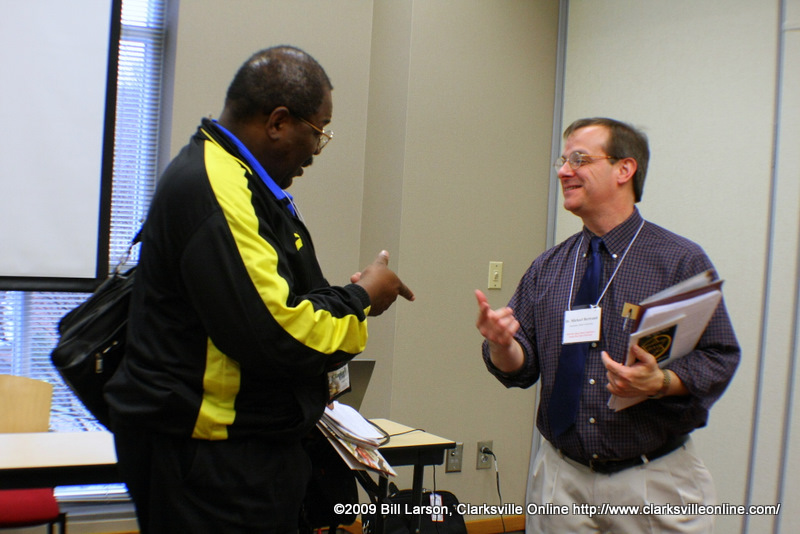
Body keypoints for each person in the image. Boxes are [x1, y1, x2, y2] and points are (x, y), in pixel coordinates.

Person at [105, 45, 414, 534]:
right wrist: (361, 300)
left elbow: (289, 299)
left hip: (235, 449)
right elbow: (278, 332)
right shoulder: (216, 188)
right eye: (318, 131)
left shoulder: (244, 181)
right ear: (278, 122)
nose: (317, 150)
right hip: (210, 460)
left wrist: (343, 302)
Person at [475, 117, 739, 533]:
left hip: (651, 481)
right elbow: (521, 367)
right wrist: (501, 344)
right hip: (561, 479)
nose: (564, 171)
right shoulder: (549, 267)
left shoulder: (678, 261)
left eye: (579, 159)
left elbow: (719, 356)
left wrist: (661, 382)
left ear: (624, 169)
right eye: (563, 161)